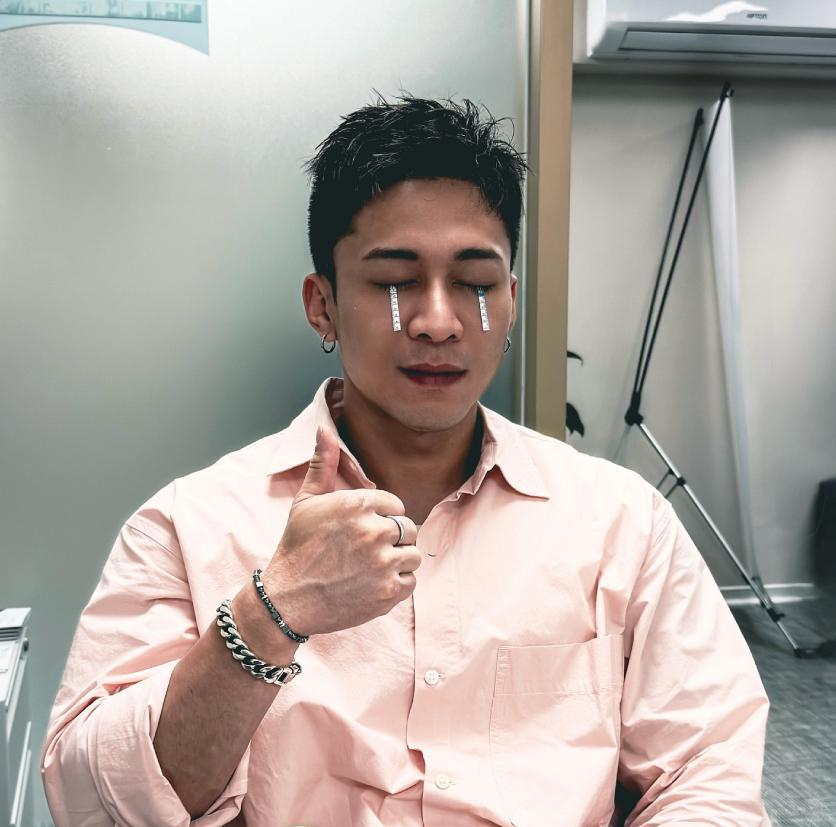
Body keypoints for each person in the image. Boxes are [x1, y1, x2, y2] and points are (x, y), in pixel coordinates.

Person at [41, 94, 771, 827]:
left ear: (511, 302)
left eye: (476, 284)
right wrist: (269, 614)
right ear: (323, 305)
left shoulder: (620, 522)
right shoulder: (188, 524)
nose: (438, 322)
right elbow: (90, 803)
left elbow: (708, 767)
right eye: (394, 281)